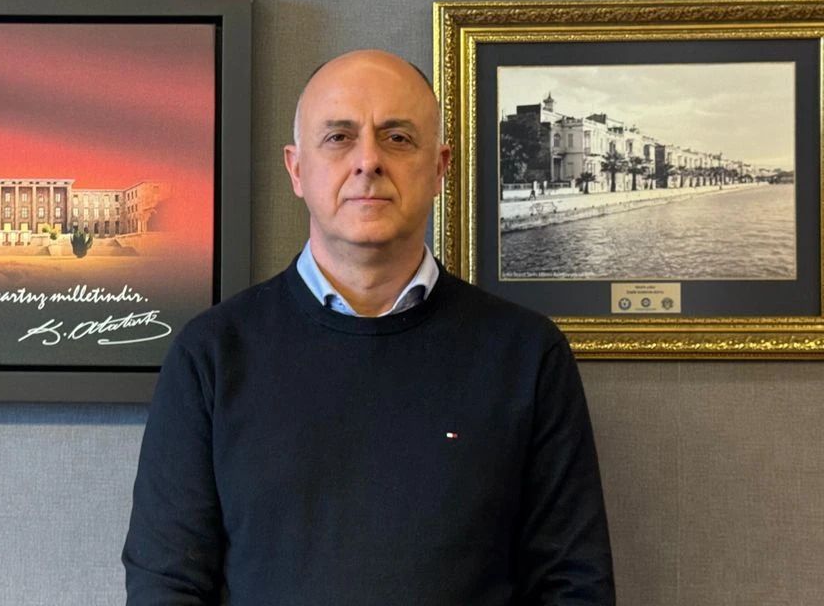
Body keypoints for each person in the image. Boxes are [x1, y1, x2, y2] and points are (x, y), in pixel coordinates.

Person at [123, 50, 614, 604]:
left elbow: (574, 585)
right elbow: (166, 583)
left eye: (397, 138)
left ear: (440, 168)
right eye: (338, 137)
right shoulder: (211, 354)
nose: (368, 161)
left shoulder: (528, 354)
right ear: (296, 169)